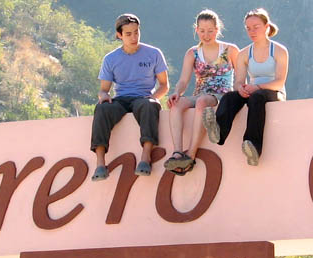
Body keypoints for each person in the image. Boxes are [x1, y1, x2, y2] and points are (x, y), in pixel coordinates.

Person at [202, 8, 288, 166]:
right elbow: (239, 80)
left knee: (257, 97)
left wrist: (257, 87)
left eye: (256, 27)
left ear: (266, 26)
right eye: (248, 28)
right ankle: (219, 132)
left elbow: (279, 82)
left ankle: (253, 146)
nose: (252, 31)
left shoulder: (279, 51)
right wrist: (240, 88)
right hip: (253, 90)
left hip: (273, 92)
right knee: (230, 96)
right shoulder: (244, 54)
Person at [91, 13, 169, 180]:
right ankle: (100, 164)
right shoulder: (110, 59)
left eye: (136, 32)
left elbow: (164, 85)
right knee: (102, 109)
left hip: (143, 97)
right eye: (128, 34)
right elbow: (104, 89)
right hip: (120, 99)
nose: (134, 37)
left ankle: (145, 158)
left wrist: (154, 97)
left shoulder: (153, 54)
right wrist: (104, 96)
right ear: (119, 35)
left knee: (149, 106)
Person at [164, 10, 239, 175]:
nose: (206, 35)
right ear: (196, 30)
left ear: (217, 29)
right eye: (202, 31)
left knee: (201, 102)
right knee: (177, 105)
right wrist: (177, 92)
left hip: (222, 95)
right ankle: (177, 152)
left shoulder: (231, 50)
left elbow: (241, 79)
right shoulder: (192, 53)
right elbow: (184, 80)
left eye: (210, 31)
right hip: (199, 93)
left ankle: (191, 153)